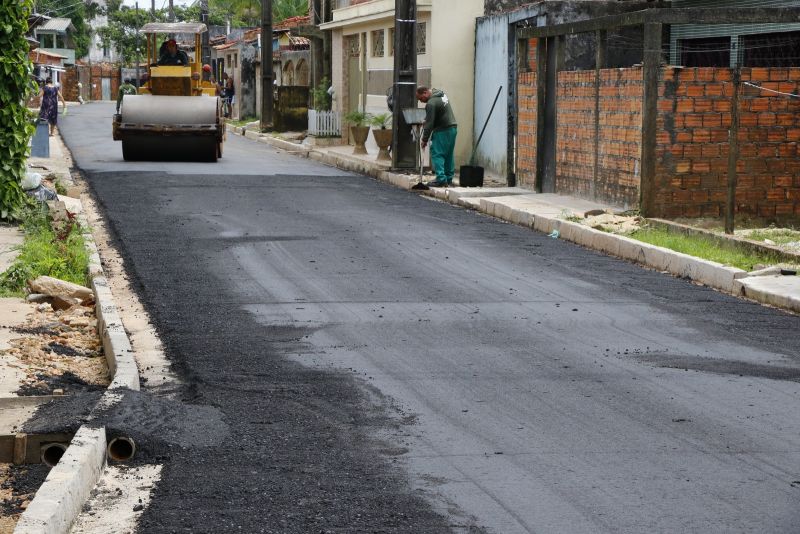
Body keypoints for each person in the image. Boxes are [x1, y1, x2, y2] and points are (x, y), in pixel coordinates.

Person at [416, 86, 457, 187]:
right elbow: (439, 112)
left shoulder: (431, 103)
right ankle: (448, 178)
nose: (421, 101)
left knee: (437, 154)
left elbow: (429, 125)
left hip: (442, 130)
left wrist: (424, 139)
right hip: (452, 128)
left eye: (420, 98)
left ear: (425, 93)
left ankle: (441, 179)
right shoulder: (442, 95)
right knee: (448, 155)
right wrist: (428, 118)